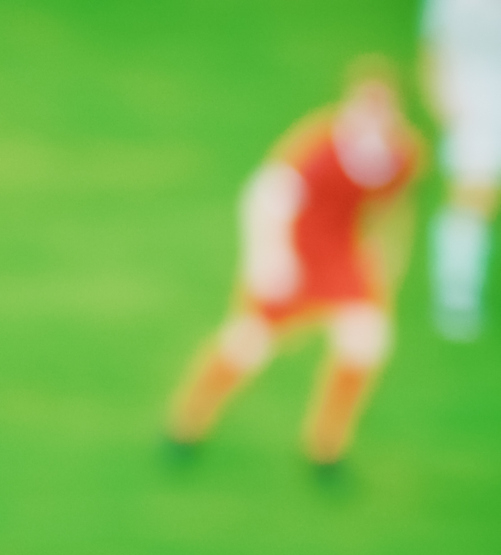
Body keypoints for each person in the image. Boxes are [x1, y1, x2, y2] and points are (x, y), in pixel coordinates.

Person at [166, 63, 421, 467]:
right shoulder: (320, 147)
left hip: (341, 256)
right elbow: (265, 199)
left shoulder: (400, 154)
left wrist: (384, 262)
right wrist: (270, 261)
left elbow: (393, 208)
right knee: (248, 343)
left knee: (365, 339)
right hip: (295, 253)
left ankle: (327, 447)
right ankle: (186, 427)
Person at [425, 0, 501, 339]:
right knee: (473, 195)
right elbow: (434, 51)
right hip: (474, 106)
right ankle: (456, 290)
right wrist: (445, 105)